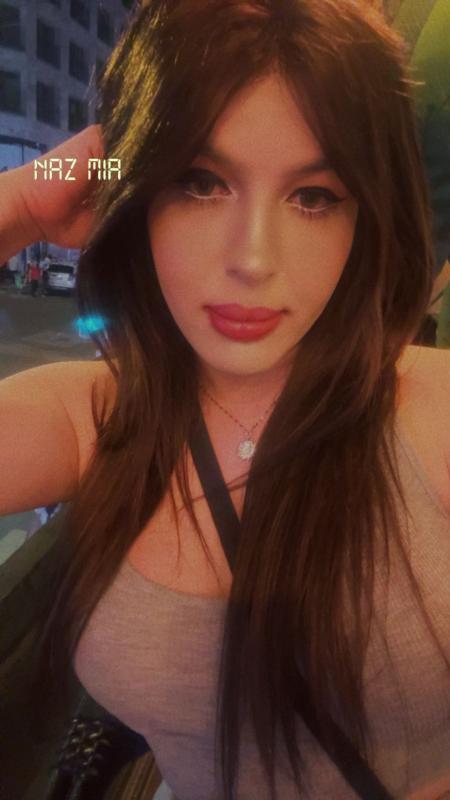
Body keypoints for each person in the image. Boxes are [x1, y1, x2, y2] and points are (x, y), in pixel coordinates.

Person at [0, 1, 449, 799]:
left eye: (314, 196)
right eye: (201, 182)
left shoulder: (433, 410)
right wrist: (27, 200)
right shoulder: (89, 418)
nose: (253, 259)